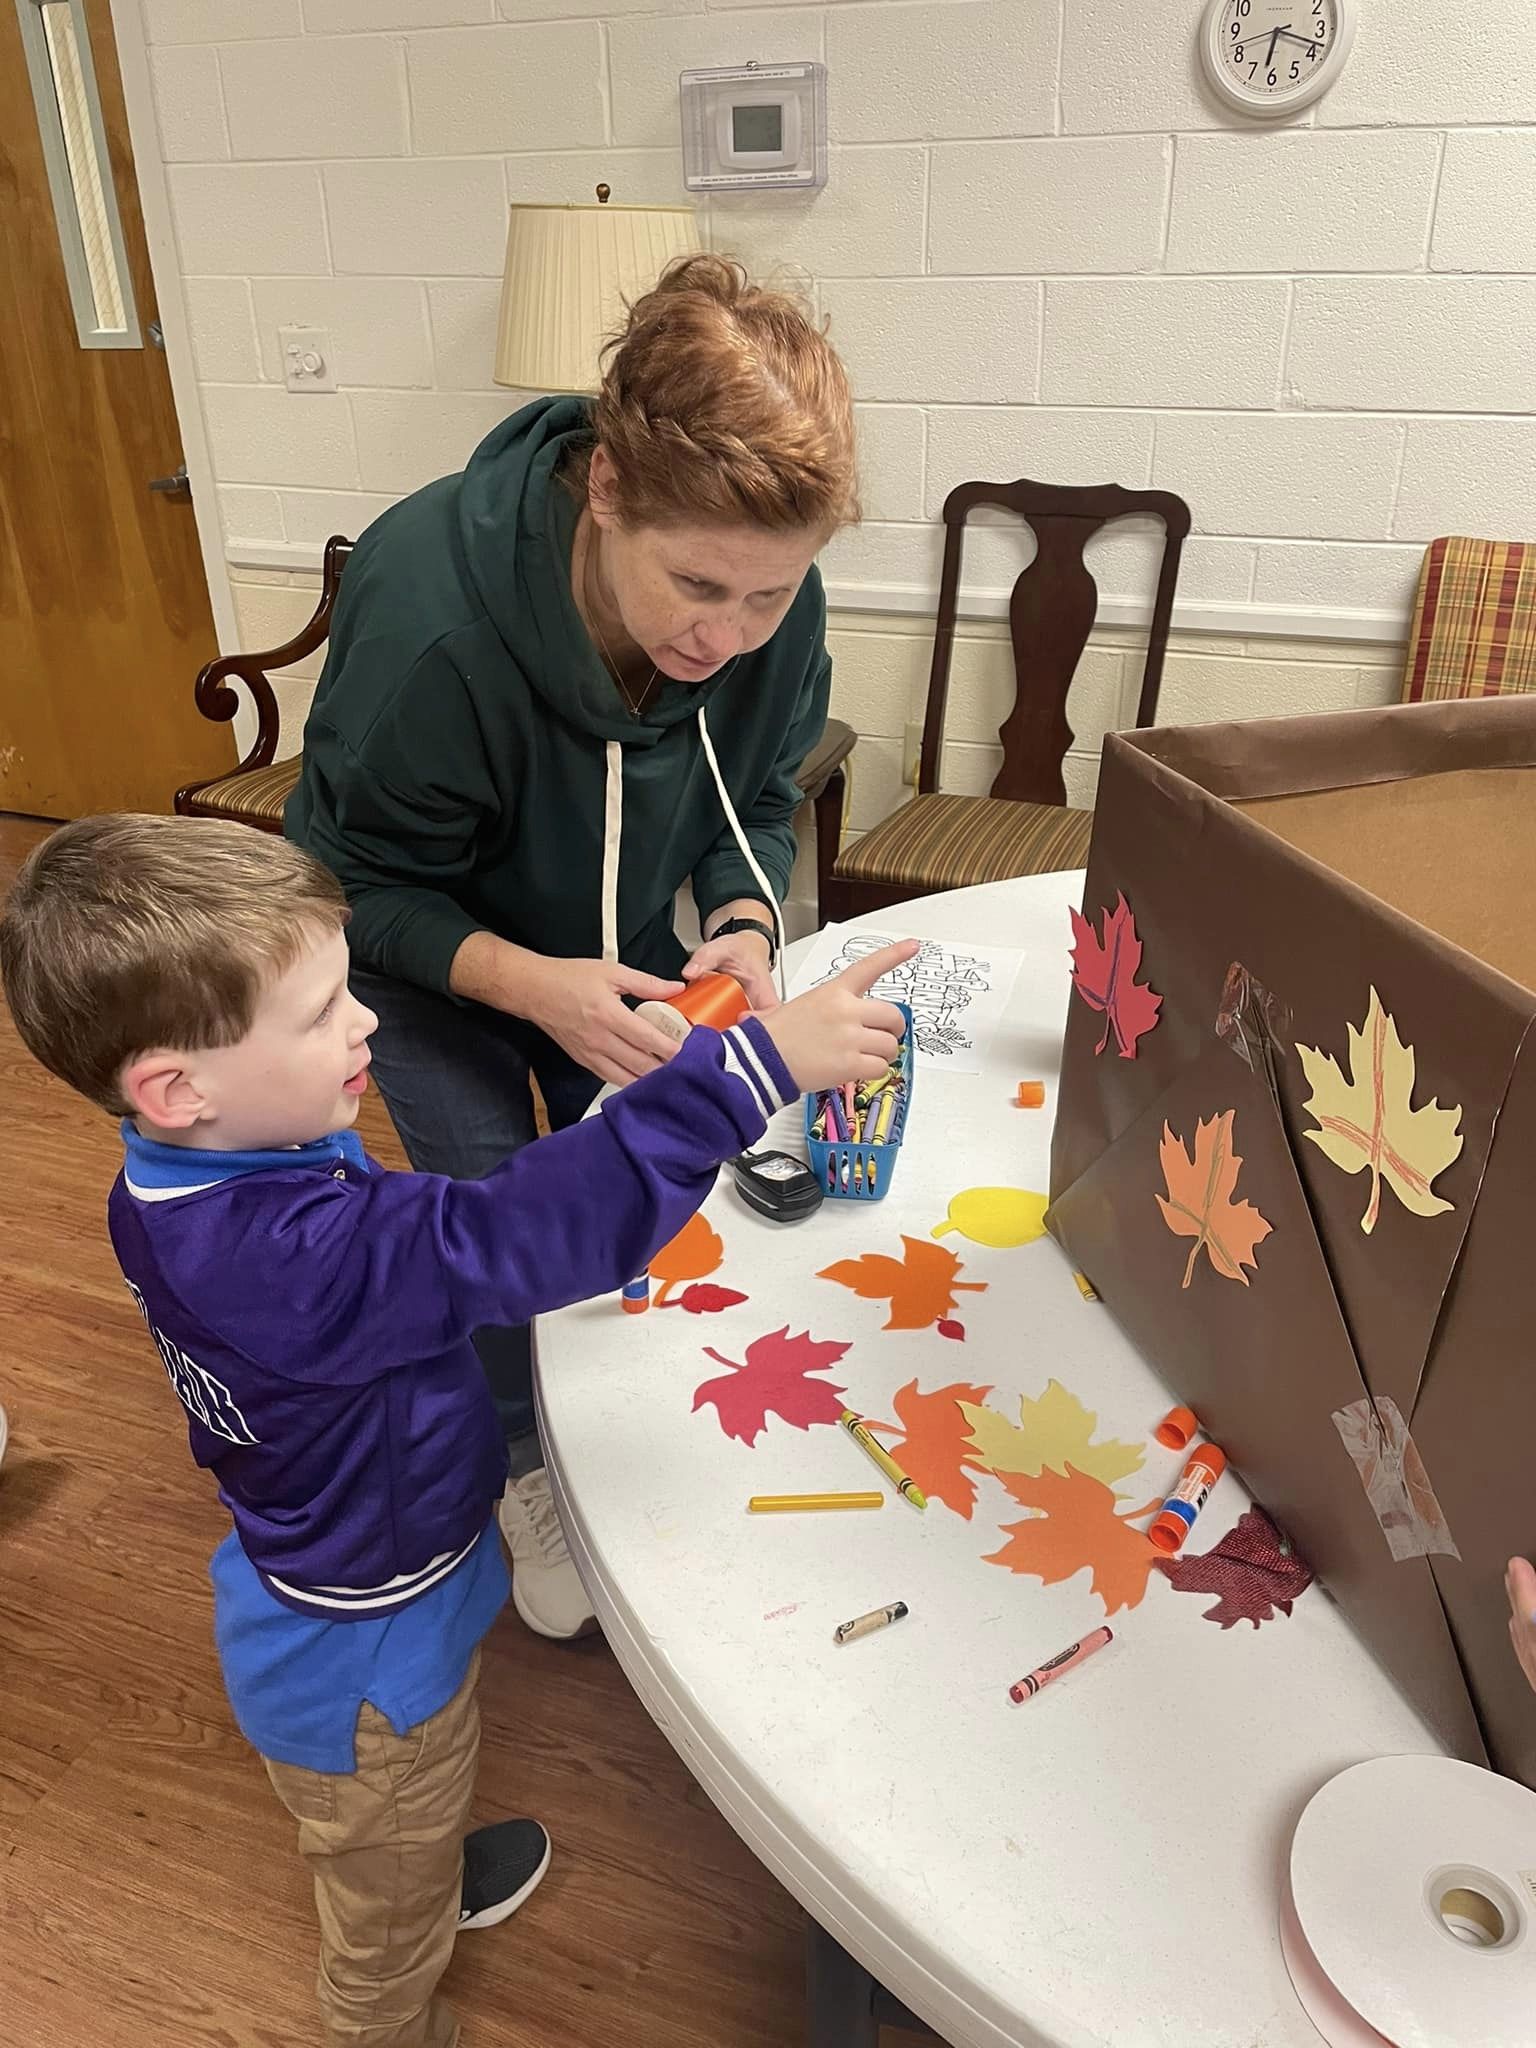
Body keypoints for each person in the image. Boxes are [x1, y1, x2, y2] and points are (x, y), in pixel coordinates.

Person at [0, 815, 909, 2048]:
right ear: (178, 1087)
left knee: (406, 1811)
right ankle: (389, 1995)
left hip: (344, 1552)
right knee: (383, 1872)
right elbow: (498, 1238)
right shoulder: (288, 1257)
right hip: (364, 1649)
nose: (364, 1021)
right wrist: (742, 1075)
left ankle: (414, 1857)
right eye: (322, 1010)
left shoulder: (180, 1173)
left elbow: (441, 1236)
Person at [286, 253, 860, 1640]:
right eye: (698, 586)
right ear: (607, 489)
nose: (728, 635)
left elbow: (756, 791)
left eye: (770, 598)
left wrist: (738, 913)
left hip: (599, 952)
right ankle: (523, 1467)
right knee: (497, 1217)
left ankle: (601, 1428)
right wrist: (527, 984)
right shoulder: (434, 619)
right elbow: (353, 884)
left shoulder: (767, 608)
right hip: (423, 959)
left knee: (617, 1189)